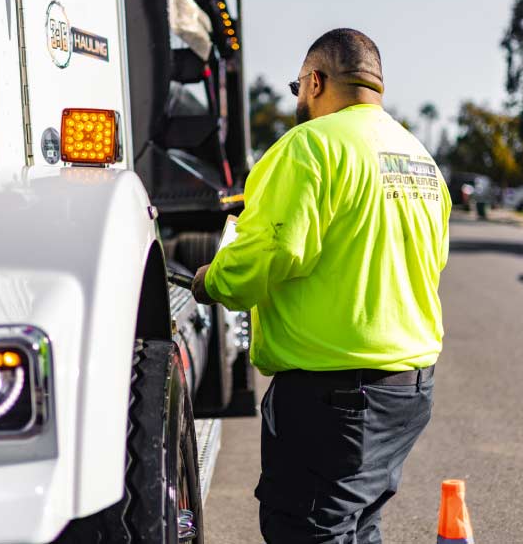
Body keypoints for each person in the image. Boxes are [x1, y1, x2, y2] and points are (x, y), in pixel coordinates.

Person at [192, 28, 451, 543]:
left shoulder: (310, 146)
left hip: (337, 397)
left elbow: (276, 249)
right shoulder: (419, 158)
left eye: (297, 87)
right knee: (355, 525)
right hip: (408, 389)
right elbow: (430, 259)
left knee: (309, 530)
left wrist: (212, 280)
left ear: (314, 82)